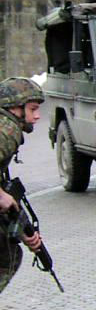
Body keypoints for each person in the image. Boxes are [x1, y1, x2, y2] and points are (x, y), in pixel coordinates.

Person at [0, 78, 46, 292]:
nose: (37, 116)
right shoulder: (7, 130)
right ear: (15, 109)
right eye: (33, 109)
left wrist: (23, 232)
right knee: (7, 255)